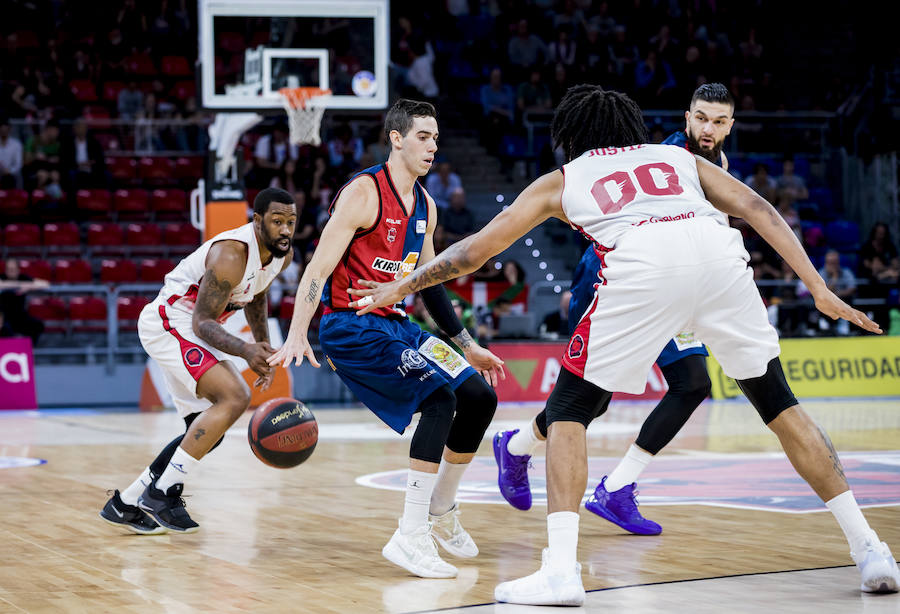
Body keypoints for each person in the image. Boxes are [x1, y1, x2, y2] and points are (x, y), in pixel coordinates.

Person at [347, 85, 898, 604]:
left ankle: (560, 569)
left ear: (571, 134)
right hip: (720, 258)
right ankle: (870, 549)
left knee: (569, 410)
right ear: (632, 128)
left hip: (643, 267)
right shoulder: (679, 159)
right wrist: (818, 288)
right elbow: (759, 210)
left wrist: (403, 284)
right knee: (780, 404)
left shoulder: (564, 177)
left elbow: (472, 255)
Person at [267, 99, 505, 579]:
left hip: (398, 326)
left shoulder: (428, 206)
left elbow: (429, 281)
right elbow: (317, 268)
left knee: (478, 397)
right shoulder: (364, 192)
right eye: (423, 136)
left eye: (436, 137)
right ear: (396, 138)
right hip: (351, 327)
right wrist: (297, 332)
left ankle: (440, 511)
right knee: (438, 401)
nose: (432, 145)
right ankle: (409, 534)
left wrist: (466, 343)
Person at [493, 83, 736, 535]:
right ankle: (520, 446)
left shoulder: (716, 163)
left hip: (668, 284)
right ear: (687, 118)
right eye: (701, 118)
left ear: (730, 125)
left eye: (718, 120)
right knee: (592, 402)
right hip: (618, 279)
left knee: (692, 383)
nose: (708, 128)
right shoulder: (670, 155)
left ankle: (614, 486)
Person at [99, 188, 295, 534]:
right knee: (235, 397)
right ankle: (163, 493)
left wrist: (262, 344)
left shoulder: (281, 255)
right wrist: (246, 350)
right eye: (277, 221)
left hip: (190, 329)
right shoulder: (232, 253)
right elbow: (201, 322)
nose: (285, 230)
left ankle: (126, 504)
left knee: (205, 431)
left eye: (291, 222)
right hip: (170, 322)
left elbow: (257, 293)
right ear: (257, 220)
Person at [0, 259, 48, 344]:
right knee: (5, 329)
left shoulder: (23, 278)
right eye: (8, 269)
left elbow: (44, 284)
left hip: (20, 316)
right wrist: (19, 285)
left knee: (37, 325)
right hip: (5, 317)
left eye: (13, 269)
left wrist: (28, 287)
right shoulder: (2, 277)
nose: (10, 271)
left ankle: (29, 349)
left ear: (18, 270)